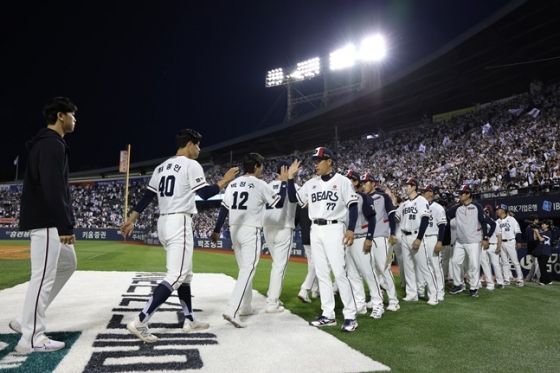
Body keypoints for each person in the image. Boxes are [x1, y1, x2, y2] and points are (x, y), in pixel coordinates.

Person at [121, 129, 239, 343]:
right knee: (176, 275)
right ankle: (140, 321)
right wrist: (224, 180)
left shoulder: (161, 166)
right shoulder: (190, 164)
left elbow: (148, 196)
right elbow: (204, 193)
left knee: (185, 275)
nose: (199, 150)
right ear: (190, 144)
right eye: (198, 145)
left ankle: (190, 319)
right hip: (179, 221)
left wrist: (132, 218)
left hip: (164, 222)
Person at [12, 97, 78, 353]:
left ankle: (23, 320)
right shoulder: (51, 144)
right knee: (42, 278)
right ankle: (31, 338)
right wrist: (64, 226)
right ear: (61, 116)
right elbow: (53, 187)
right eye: (73, 115)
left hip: (49, 221)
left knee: (68, 264)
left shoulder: (50, 143)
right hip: (48, 222)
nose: (75, 120)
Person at [211, 153, 297, 328]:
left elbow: (224, 209)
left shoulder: (233, 184)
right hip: (250, 229)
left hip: (233, 229)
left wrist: (217, 229)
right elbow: (279, 204)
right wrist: (284, 182)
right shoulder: (259, 184)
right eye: (261, 166)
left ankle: (245, 307)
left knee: (244, 269)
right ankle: (232, 309)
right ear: (256, 166)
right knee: (248, 270)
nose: (262, 169)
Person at [295, 147, 360, 332]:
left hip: (334, 227)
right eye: (314, 160)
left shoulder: (343, 181)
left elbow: (353, 206)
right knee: (322, 273)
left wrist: (351, 229)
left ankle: (350, 316)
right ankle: (328, 314)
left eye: (319, 160)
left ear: (329, 161)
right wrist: (290, 179)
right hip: (316, 228)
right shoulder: (311, 183)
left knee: (339, 273)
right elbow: (297, 200)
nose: (315, 163)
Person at [344, 170, 385, 319]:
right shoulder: (341, 197)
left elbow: (372, 219)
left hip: (361, 238)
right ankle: (360, 303)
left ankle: (377, 304)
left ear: (356, 183)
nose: (348, 181)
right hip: (346, 241)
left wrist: (369, 238)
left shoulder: (363, 197)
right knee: (352, 275)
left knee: (369, 272)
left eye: (351, 179)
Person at [263, 160, 299, 313]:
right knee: (279, 266)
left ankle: (272, 295)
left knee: (276, 265)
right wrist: (290, 179)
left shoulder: (266, 186)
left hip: (267, 227)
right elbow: (295, 198)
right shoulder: (294, 186)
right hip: (284, 227)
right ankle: (272, 302)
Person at [395, 178, 439, 306]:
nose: (405, 187)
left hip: (416, 235)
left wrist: (419, 238)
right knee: (407, 266)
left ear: (414, 187)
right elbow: (396, 218)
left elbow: (425, 220)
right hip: (404, 236)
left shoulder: (421, 201)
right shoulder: (404, 204)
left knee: (424, 266)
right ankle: (412, 293)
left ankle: (433, 294)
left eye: (407, 185)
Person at [447, 185, 496, 297]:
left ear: (468, 194)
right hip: (460, 241)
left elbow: (485, 222)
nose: (460, 195)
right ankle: (458, 284)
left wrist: (485, 238)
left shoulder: (476, 206)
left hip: (473, 241)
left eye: (462, 193)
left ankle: (473, 288)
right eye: (459, 193)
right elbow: (444, 214)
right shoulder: (457, 208)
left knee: (474, 265)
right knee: (455, 262)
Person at [362, 174, 400, 311]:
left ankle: (393, 300)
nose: (363, 185)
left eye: (366, 182)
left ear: (373, 183)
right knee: (370, 271)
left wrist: (393, 233)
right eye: (362, 183)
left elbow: (391, 215)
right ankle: (375, 297)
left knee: (385, 270)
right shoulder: (363, 199)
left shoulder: (383, 197)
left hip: (380, 237)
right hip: (367, 238)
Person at [420, 184, 447, 301]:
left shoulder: (437, 207)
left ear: (431, 193)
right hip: (422, 238)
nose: (423, 193)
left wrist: (439, 241)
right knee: (424, 266)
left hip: (432, 238)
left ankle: (440, 292)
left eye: (425, 191)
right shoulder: (421, 206)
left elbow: (442, 226)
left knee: (436, 266)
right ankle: (427, 290)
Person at [496, 204, 524, 287]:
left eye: (498, 209)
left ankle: (520, 279)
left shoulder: (511, 219)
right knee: (504, 262)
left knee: (515, 261)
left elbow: (518, 231)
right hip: (502, 243)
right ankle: (506, 279)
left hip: (510, 241)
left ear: (503, 210)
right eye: (496, 210)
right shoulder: (497, 222)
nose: (497, 211)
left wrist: (518, 241)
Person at [296, 205, 319, 303]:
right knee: (317, 264)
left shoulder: (300, 203)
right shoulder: (317, 199)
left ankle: (315, 290)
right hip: (316, 235)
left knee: (311, 264)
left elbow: (295, 220)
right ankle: (305, 290)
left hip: (305, 236)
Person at [480, 206, 504, 290]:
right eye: (484, 212)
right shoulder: (480, 223)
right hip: (483, 246)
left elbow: (499, 235)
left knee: (495, 264)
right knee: (485, 265)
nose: (485, 214)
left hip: (493, 245)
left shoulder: (494, 223)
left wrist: (499, 246)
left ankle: (500, 282)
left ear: (489, 213)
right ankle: (490, 283)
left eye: (487, 212)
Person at [533, 220, 553, 286]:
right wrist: (535, 232)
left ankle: (543, 281)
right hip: (540, 252)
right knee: (542, 266)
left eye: (543, 224)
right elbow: (535, 238)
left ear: (547, 225)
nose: (542, 225)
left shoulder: (548, 232)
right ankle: (548, 280)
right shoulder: (542, 232)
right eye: (542, 224)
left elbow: (541, 239)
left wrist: (537, 232)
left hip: (545, 251)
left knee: (542, 266)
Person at [525, 214, 541, 282]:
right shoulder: (532, 228)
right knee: (536, 263)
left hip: (531, 247)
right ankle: (540, 278)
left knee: (535, 263)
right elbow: (533, 239)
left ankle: (528, 278)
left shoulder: (528, 227)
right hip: (534, 247)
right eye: (537, 219)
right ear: (535, 220)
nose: (538, 221)